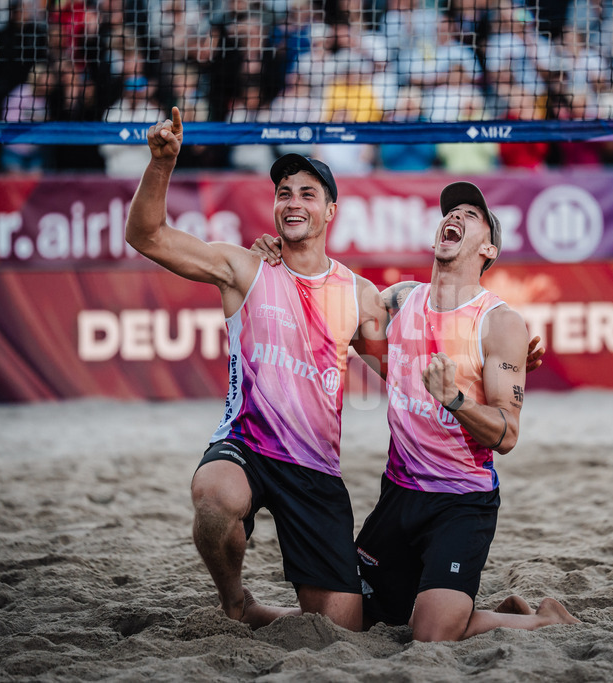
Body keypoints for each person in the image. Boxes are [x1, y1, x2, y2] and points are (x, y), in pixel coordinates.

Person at [252, 183, 576, 641]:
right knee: (356, 622)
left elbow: (506, 435)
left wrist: (456, 400)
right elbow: (324, 302)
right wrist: (278, 252)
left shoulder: (500, 323)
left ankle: (544, 619)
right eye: (452, 212)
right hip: (399, 494)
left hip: (461, 501)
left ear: (488, 248)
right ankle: (251, 609)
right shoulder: (402, 299)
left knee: (430, 635)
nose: (456, 217)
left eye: (471, 214)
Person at [124, 107, 388, 631]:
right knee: (216, 497)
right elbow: (146, 236)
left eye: (307, 194)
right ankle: (236, 601)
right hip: (247, 445)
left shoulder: (358, 295)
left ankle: (277, 612)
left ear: (331, 210)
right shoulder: (244, 268)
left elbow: (403, 371)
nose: (292, 202)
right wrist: (161, 165)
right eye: (284, 192)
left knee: (338, 627)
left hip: (314, 467)